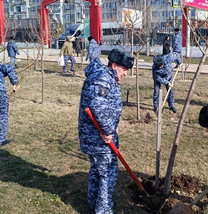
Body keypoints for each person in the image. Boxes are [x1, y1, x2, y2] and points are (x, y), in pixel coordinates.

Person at [78, 48, 134, 214]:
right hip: (98, 138)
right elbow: (98, 106)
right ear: (114, 65)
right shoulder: (102, 79)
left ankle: (94, 202)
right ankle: (103, 209)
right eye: (124, 69)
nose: (125, 73)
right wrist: (109, 129)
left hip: (97, 135)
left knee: (97, 170)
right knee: (108, 173)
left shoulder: (107, 77)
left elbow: (105, 106)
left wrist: (113, 125)